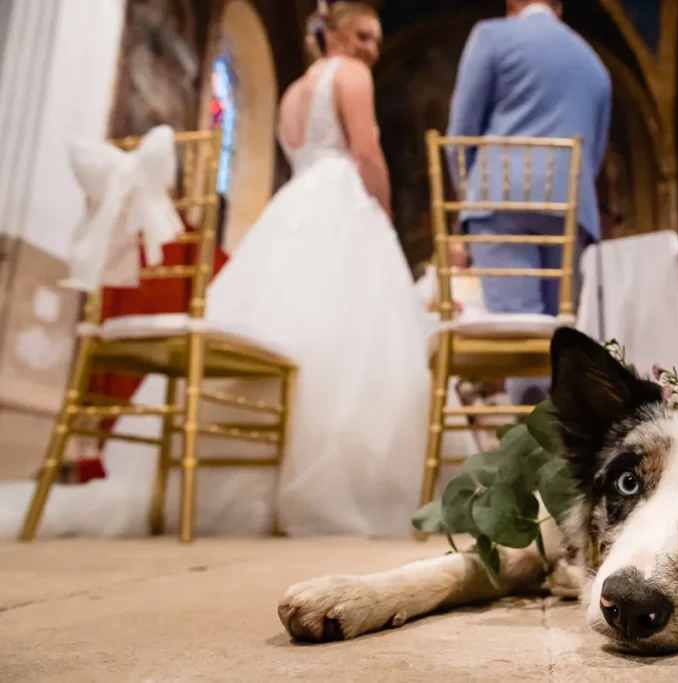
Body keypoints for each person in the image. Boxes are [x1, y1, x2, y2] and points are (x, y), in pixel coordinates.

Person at [0, 1, 431, 539]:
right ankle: (348, 486)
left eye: (377, 39)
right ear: (336, 34)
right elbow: (365, 151)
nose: (373, 48)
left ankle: (246, 474)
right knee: (353, 341)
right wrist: (384, 213)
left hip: (295, 205)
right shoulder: (352, 75)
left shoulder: (294, 91)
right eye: (364, 35)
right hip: (342, 202)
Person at [446, 0, 612, 405]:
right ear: (559, 7)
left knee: (518, 334)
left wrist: (468, 203)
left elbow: (460, 136)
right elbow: (593, 157)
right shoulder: (595, 65)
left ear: (511, 5)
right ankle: (558, 429)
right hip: (570, 208)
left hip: (499, 201)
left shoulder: (492, 36)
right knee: (558, 336)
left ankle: (527, 426)